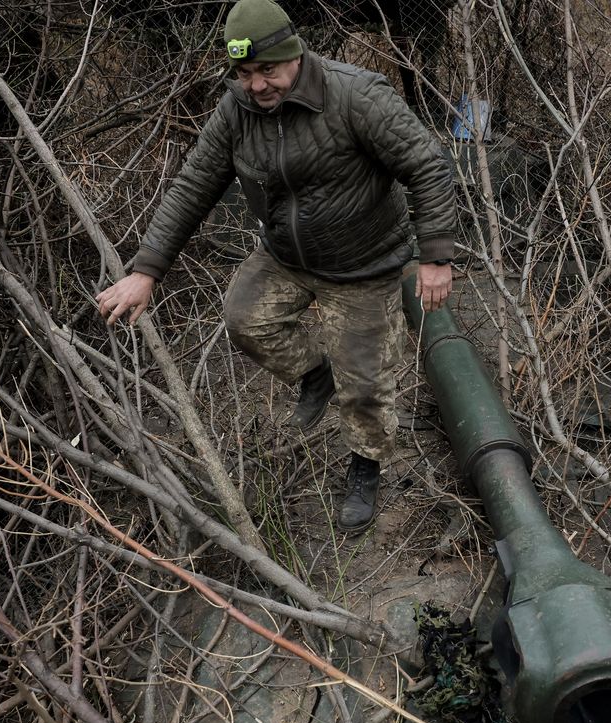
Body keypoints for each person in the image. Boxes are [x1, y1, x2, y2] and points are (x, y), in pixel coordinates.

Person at [96, 0, 457, 533]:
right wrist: (147, 270)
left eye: (268, 70)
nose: (257, 85)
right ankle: (317, 374)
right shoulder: (236, 110)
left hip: (362, 264)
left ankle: (365, 465)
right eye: (244, 74)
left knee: (367, 388)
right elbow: (195, 185)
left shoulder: (354, 95)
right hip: (287, 255)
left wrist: (435, 256)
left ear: (295, 56)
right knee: (246, 319)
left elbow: (427, 165)